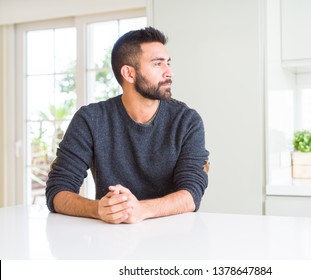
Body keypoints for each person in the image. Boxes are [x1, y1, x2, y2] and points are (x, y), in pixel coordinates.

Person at [46, 26, 209, 224]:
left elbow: (192, 194)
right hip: (111, 239)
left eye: (168, 63)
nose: (169, 72)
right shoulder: (90, 119)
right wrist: (98, 209)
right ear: (129, 74)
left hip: (173, 237)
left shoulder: (187, 121)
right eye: (158, 64)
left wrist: (141, 209)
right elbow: (57, 191)